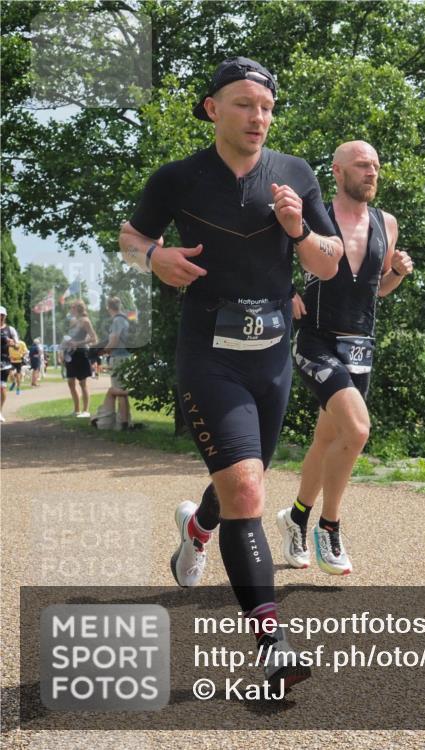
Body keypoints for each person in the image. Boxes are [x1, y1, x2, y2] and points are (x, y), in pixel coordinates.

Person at [118, 56, 342, 692]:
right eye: (245, 104)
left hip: (271, 352)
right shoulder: (180, 177)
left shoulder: (295, 175)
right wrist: (154, 257)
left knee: (245, 479)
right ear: (213, 108)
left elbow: (327, 265)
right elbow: (130, 237)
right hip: (209, 351)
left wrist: (299, 229)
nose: (259, 117)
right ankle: (273, 645)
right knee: (247, 490)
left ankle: (198, 528)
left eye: (267, 107)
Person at [277, 141, 412, 575]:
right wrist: (286, 291)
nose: (371, 172)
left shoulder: (386, 223)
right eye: (361, 165)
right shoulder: (317, 217)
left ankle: (296, 517)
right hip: (316, 339)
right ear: (337, 172)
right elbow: (277, 262)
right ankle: (328, 528)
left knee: (328, 439)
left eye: (376, 165)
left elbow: (376, 290)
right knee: (356, 429)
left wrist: (396, 274)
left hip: (361, 346)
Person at [91, 297, 135, 430]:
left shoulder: (117, 320)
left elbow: (114, 341)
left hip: (119, 357)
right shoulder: (125, 319)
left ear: (108, 307)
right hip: (125, 356)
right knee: (121, 389)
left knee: (119, 390)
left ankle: (122, 424)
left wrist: (103, 351)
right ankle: (126, 421)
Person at [62, 300, 97, 417]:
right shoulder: (72, 321)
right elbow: (69, 337)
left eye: (72, 307)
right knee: (70, 382)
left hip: (82, 353)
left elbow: (94, 338)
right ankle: (76, 410)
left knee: (83, 383)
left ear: (77, 309)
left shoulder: (85, 321)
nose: (70, 309)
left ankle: (86, 411)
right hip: (70, 354)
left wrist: (78, 343)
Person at [0, 306, 20, 423]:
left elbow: (18, 346)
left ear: (5, 316)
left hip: (4, 363)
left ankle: (0, 411)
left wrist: (12, 343)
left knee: (2, 388)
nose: (0, 317)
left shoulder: (10, 330)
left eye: (2, 315)